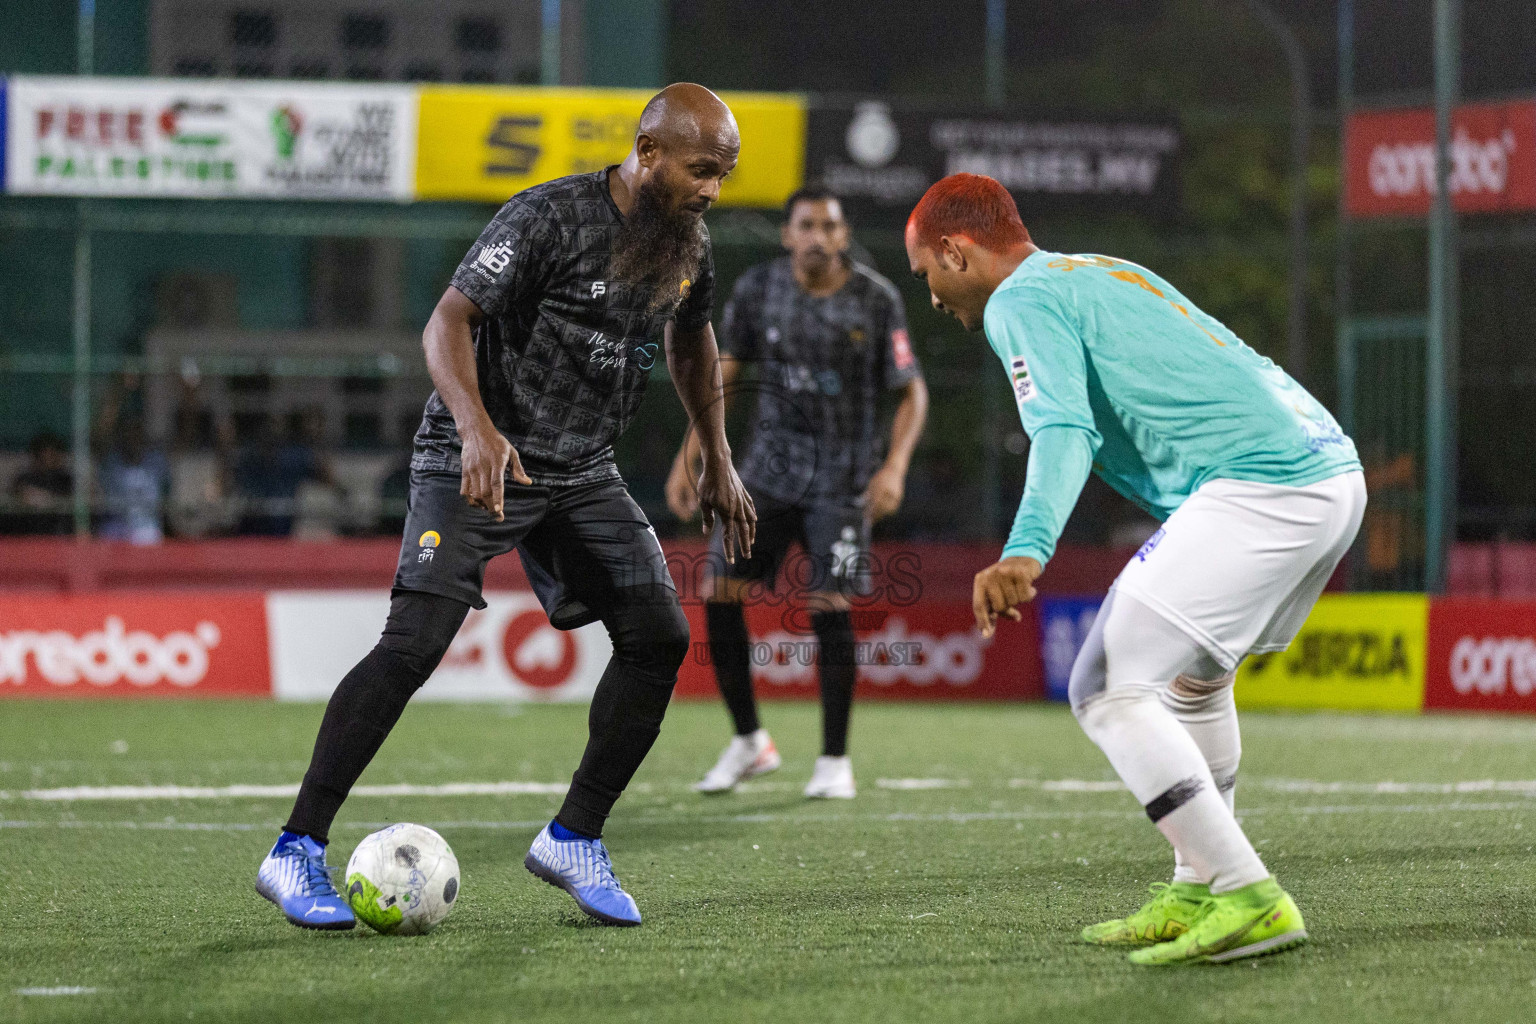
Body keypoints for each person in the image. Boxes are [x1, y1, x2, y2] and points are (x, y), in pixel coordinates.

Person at [256, 83, 756, 931]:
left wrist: (716, 451)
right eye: (703, 171)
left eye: (724, 176)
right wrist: (476, 427)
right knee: (414, 644)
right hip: (478, 454)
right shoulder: (546, 218)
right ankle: (295, 849)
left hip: (582, 470)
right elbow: (446, 323)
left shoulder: (688, 246)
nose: (712, 190)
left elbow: (691, 336)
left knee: (659, 637)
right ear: (648, 153)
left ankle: (574, 836)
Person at [905, 174, 1363, 966]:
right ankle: (1197, 887)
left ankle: (1247, 892)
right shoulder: (1100, 269)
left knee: (1104, 685)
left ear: (957, 251)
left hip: (1265, 484)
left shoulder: (1018, 300)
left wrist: (1025, 548)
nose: (934, 298)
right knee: (1194, 684)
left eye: (927, 275)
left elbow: (1062, 428)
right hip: (1327, 471)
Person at [666, 185, 927, 798]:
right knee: (719, 591)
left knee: (828, 606)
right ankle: (750, 742)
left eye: (829, 226)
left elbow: (911, 390)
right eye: (806, 225)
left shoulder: (875, 298)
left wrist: (893, 468)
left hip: (842, 479)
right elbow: (722, 375)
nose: (818, 236)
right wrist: (691, 457)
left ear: (843, 235)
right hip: (764, 473)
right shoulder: (759, 290)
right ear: (788, 234)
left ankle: (834, 760)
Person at [5, 432, 73, 535]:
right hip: (26, 532)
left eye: (54, 453)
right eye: (45, 453)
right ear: (37, 456)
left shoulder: (66, 479)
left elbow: (68, 502)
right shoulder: (24, 477)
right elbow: (14, 496)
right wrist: (23, 493)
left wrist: (47, 498)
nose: (50, 458)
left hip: (57, 532)